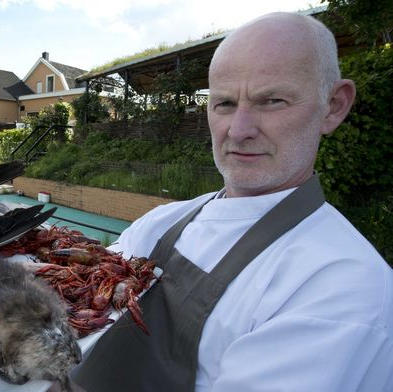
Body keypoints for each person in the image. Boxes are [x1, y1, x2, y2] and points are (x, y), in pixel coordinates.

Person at [71, 12, 393, 392]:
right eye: (223, 103)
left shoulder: (342, 285)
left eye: (272, 100)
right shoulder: (162, 221)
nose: (239, 131)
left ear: (334, 105)